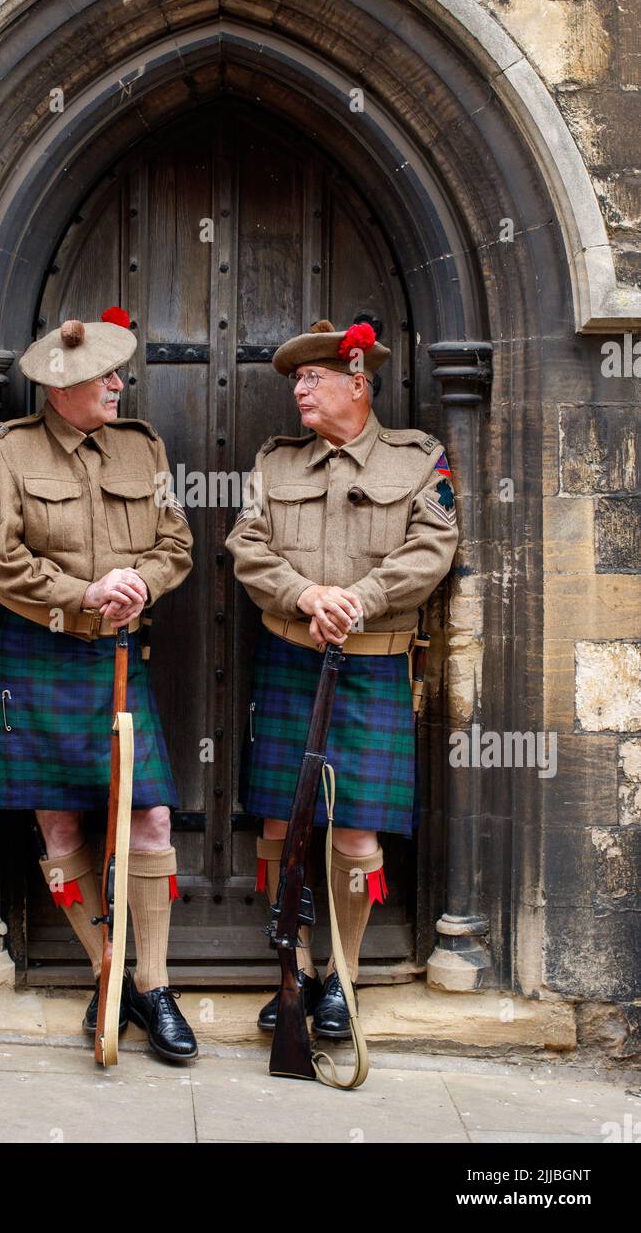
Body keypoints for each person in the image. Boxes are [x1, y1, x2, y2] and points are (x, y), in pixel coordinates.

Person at [0, 307, 198, 1061]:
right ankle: (108, 972)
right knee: (60, 825)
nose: (118, 385)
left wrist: (139, 585)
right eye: (105, 376)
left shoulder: (143, 446)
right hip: (42, 651)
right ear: (63, 386)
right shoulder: (11, 450)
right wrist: (84, 592)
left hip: (119, 654)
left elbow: (177, 542)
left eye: (118, 373)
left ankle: (154, 987)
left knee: (150, 820)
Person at [225, 319, 459, 1038]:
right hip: (291, 656)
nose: (299, 389)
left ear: (356, 382)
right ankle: (291, 969)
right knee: (281, 826)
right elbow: (246, 545)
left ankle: (344, 980)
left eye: (312, 378)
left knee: (356, 834)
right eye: (296, 380)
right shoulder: (275, 462)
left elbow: (434, 548)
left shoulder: (419, 460)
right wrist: (306, 596)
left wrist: (360, 599)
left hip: (372, 663)